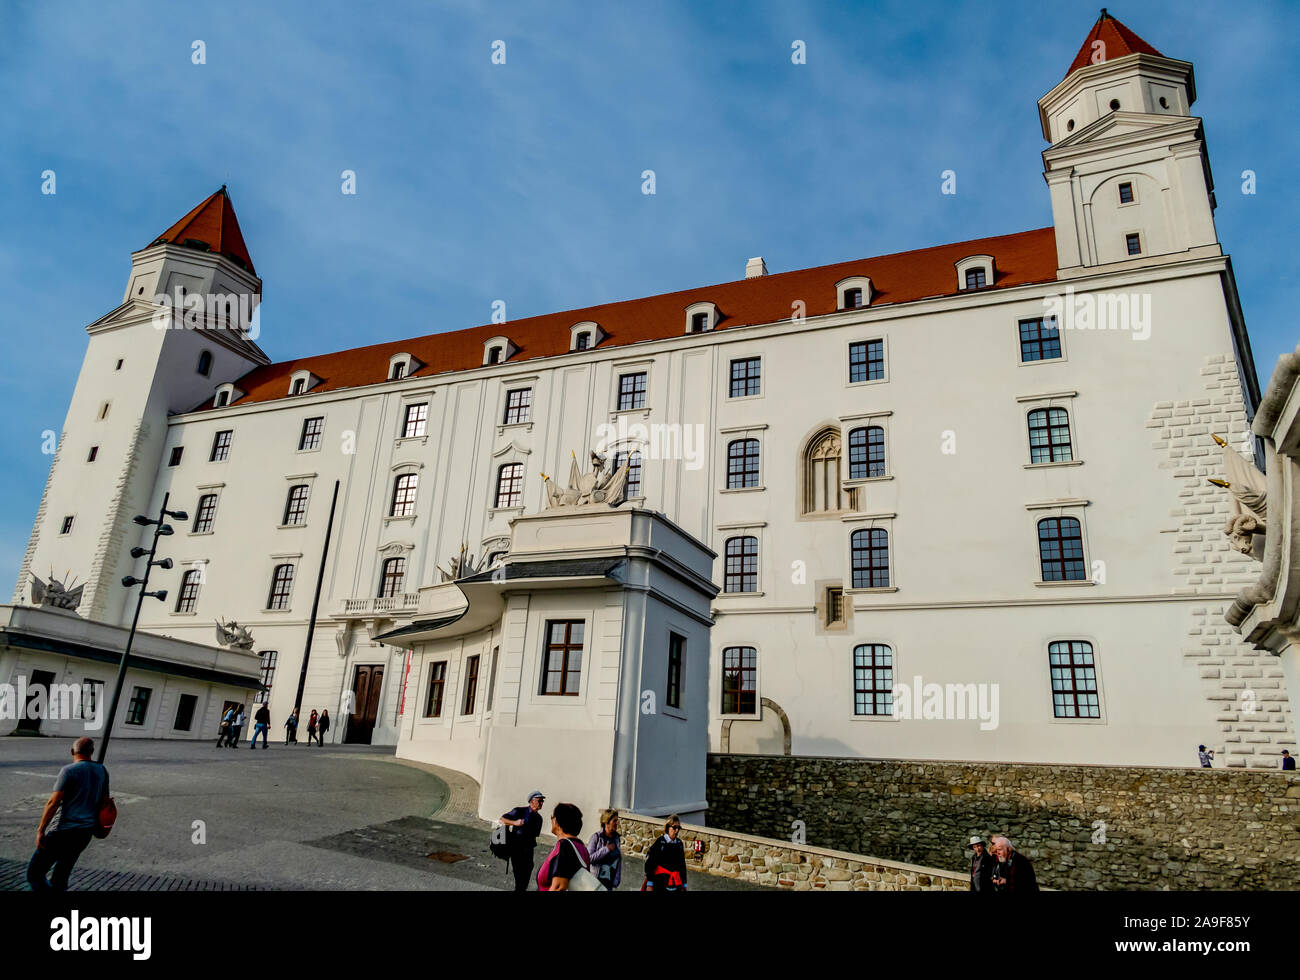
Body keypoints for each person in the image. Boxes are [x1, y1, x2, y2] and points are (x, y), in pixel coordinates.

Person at [27, 737, 109, 892]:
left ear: (72, 751)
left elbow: (53, 803)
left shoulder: (69, 771)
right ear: (92, 752)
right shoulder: (102, 770)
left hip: (62, 831)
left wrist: (41, 830)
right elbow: (104, 800)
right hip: (85, 832)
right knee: (61, 875)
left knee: (34, 874)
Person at [537, 803, 591, 891]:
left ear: (557, 821)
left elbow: (558, 887)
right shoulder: (582, 847)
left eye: (552, 817)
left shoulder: (565, 846)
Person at [499, 791, 544, 892]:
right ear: (531, 801)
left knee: (526, 875)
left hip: (529, 851)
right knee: (519, 878)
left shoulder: (539, 819)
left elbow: (534, 836)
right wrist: (515, 822)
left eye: (542, 801)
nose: (541, 803)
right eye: (539, 801)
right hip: (517, 849)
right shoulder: (519, 811)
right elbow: (502, 819)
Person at [643, 814, 688, 891]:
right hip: (660, 883)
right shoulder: (660, 842)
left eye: (678, 828)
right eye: (674, 827)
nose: (677, 830)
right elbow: (650, 863)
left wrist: (684, 884)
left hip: (675, 884)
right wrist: (650, 884)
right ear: (668, 828)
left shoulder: (679, 844)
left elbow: (682, 865)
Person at [587, 809, 622, 891]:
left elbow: (618, 861)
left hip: (609, 886)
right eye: (614, 821)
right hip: (595, 884)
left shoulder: (617, 839)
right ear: (606, 822)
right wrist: (606, 849)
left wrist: (616, 882)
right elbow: (588, 859)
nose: (617, 823)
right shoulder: (596, 837)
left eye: (617, 820)